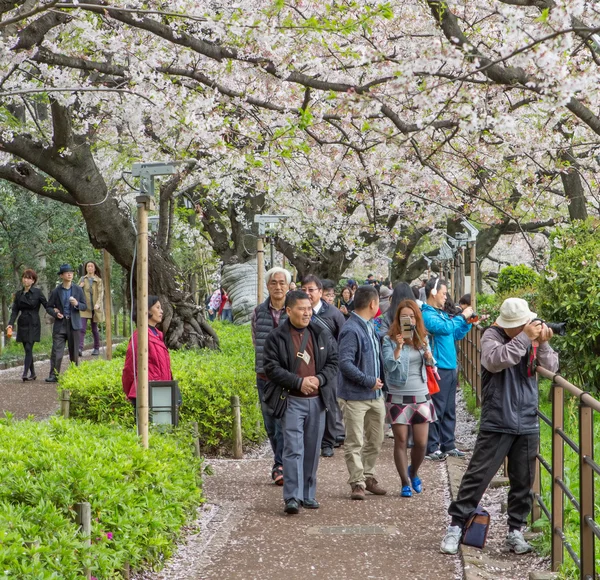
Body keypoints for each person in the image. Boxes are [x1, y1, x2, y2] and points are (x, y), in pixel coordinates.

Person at [441, 298, 559, 555]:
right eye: (523, 324)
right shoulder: (490, 336)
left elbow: (551, 368)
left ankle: (515, 531)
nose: (528, 326)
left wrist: (544, 343)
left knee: (523, 481)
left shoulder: (528, 338)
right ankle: (455, 526)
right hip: (498, 419)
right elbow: (496, 360)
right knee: (477, 476)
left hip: (527, 418)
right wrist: (525, 339)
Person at [263, 290, 338, 514]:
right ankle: (292, 497)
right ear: (288, 311)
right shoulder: (276, 337)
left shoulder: (320, 333)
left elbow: (333, 362)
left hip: (317, 400)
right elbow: (271, 368)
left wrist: (319, 378)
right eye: (301, 309)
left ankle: (308, 494)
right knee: (293, 448)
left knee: (313, 448)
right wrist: (298, 382)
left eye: (308, 309)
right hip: (292, 399)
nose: (306, 313)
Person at [382, 300, 437, 497]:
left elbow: (431, 364)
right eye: (405, 316)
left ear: (417, 318)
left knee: (421, 443)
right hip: (397, 394)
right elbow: (388, 366)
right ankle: (404, 482)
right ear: (398, 319)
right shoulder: (389, 339)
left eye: (412, 316)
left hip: (421, 393)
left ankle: (413, 472)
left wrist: (426, 351)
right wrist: (398, 346)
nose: (409, 320)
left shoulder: (422, 338)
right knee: (401, 440)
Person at [337, 285, 387, 500]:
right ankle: (357, 481)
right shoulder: (351, 329)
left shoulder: (369, 326)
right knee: (355, 441)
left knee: (376, 439)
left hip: (375, 395)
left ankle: (368, 475)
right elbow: (345, 363)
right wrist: (368, 381)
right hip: (355, 396)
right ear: (373, 304)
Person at [421, 277, 472, 460]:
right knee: (437, 407)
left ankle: (448, 444)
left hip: (450, 366)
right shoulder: (427, 315)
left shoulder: (440, 313)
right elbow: (445, 328)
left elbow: (454, 333)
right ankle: (432, 446)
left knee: (449, 408)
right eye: (443, 293)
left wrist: (468, 322)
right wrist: (462, 317)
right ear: (433, 293)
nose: (446, 297)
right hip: (438, 366)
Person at [251, 267, 290, 486]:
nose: (277, 286)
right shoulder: (258, 312)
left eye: (281, 283)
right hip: (264, 375)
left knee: (283, 420)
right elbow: (256, 339)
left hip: (287, 377)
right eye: (273, 283)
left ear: (288, 286)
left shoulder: (294, 310)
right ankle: (280, 461)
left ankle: (280, 465)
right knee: (270, 424)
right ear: (267, 286)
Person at [301, 275, 346, 457]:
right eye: (303, 290)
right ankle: (308, 439)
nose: (307, 293)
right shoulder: (298, 311)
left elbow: (343, 339)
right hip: (303, 364)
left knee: (329, 402)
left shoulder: (334, 313)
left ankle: (328, 441)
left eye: (311, 290)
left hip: (329, 365)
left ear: (320, 292)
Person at [122, 295, 172, 409]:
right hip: (146, 392)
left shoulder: (158, 334)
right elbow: (130, 367)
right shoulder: (139, 335)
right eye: (158, 308)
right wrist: (129, 391)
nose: (161, 311)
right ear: (148, 310)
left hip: (161, 391)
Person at [45, 264, 87, 382]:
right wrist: (55, 313)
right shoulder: (56, 291)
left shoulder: (78, 289)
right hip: (60, 324)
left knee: (74, 352)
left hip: (74, 324)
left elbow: (84, 306)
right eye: (67, 272)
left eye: (71, 272)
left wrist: (77, 304)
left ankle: (74, 373)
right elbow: (49, 307)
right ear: (61, 276)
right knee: (57, 351)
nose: (70, 274)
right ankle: (54, 375)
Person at [7, 269, 48, 382]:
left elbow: (47, 305)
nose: (26, 280)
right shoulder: (19, 294)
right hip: (23, 322)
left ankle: (25, 373)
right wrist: (10, 324)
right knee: (27, 349)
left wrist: (56, 313)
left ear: (33, 280)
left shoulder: (38, 292)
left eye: (29, 278)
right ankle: (33, 373)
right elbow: (15, 310)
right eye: (24, 277)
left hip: (33, 322)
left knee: (29, 347)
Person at [78, 260, 104, 356]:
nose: (89, 268)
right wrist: (80, 287)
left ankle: (96, 348)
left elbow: (101, 294)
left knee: (94, 329)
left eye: (91, 266)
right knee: (82, 328)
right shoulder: (82, 279)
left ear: (94, 268)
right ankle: (79, 348)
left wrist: (98, 304)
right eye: (88, 266)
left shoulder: (99, 280)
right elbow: (76, 292)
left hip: (95, 309)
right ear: (86, 268)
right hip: (85, 308)